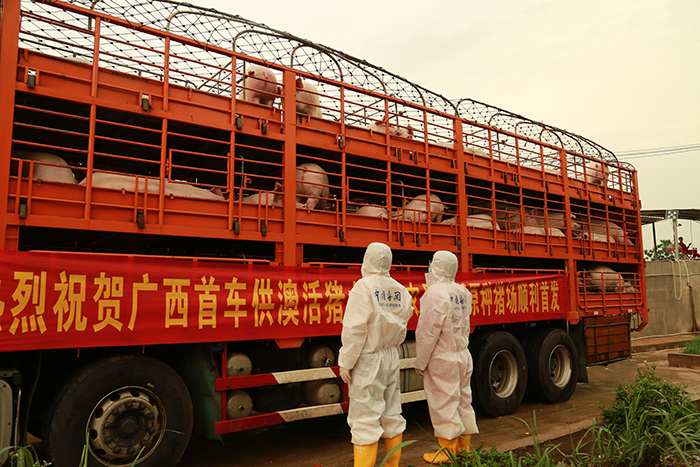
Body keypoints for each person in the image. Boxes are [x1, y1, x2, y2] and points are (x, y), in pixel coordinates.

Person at [338, 242, 413, 467]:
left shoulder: (363, 287)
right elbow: (404, 320)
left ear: (367, 259)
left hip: (368, 359)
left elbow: (354, 330)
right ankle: (392, 464)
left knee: (364, 416)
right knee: (392, 411)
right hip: (390, 355)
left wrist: (346, 362)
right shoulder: (400, 290)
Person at [412, 250, 478, 463]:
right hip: (462, 354)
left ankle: (447, 451)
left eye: (432, 263)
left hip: (443, 357)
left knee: (444, 403)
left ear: (437, 266)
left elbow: (427, 333)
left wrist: (420, 362)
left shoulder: (434, 294)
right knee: (463, 401)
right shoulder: (462, 291)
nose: (429, 266)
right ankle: (464, 447)